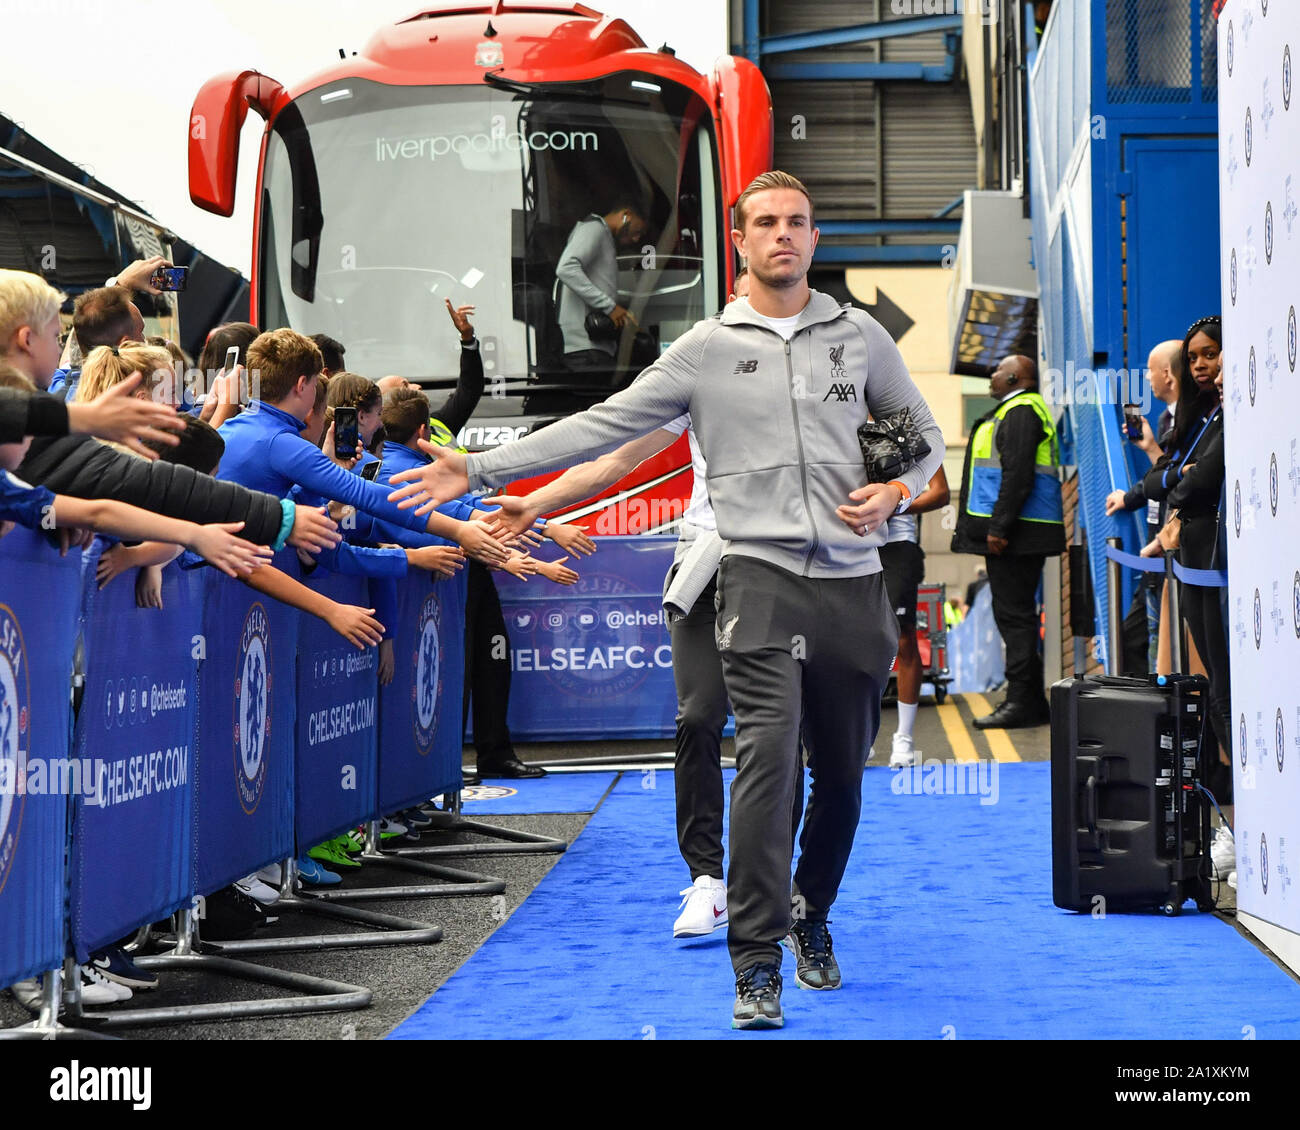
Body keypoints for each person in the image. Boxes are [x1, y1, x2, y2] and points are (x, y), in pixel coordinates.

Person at [386, 170, 944, 1030]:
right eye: (766, 223)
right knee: (763, 765)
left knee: (840, 775)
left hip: (853, 583)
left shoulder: (860, 336)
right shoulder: (705, 350)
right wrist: (486, 470)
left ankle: (811, 913)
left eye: (797, 222)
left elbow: (922, 434)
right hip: (755, 576)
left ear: (814, 238)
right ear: (740, 241)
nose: (783, 236)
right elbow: (604, 428)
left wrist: (898, 493)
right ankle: (756, 963)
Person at [0, 270, 341, 557]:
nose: (62, 347)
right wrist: (276, 517)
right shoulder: (46, 426)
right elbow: (152, 484)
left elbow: (98, 511)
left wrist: (46, 517)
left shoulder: (33, 449)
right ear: (26, 340)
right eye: (55, 334)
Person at [1138, 316, 1233, 880]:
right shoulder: (1206, 413)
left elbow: (1191, 483)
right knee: (1213, 689)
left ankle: (1240, 824)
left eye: (1211, 355)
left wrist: (1183, 478)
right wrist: (1182, 477)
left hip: (1216, 564)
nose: (1202, 366)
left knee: (1226, 688)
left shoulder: (1230, 413)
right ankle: (1231, 826)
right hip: (1194, 563)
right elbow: (1175, 477)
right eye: (1194, 357)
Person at [951, 354, 1065, 729]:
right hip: (1016, 533)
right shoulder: (1013, 410)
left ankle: (1022, 702)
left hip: (1016, 535)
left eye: (997, 369)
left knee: (1015, 619)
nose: (991, 373)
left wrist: (998, 528)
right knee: (1014, 617)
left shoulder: (1021, 411)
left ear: (1015, 376)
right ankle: (1027, 700)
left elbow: (1017, 476)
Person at [1105, 340, 1181, 675]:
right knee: (1134, 638)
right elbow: (1164, 475)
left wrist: (1130, 496)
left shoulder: (1192, 421)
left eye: (1150, 370)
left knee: (1157, 644)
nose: (1147, 378)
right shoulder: (1166, 420)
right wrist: (1150, 447)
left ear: (1167, 374)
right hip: (1154, 554)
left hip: (1171, 553)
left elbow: (1174, 481)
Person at [879, 467, 950, 767]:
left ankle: (903, 738)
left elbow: (941, 492)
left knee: (903, 638)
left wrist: (893, 506)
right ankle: (859, 735)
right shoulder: (842, 427)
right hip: (850, 544)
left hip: (897, 545)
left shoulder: (908, 431)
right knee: (853, 645)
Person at [555, 202, 647, 370]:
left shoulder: (602, 234)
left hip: (592, 347)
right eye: (638, 231)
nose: (636, 239)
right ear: (626, 214)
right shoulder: (594, 229)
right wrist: (610, 308)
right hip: (585, 349)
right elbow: (566, 268)